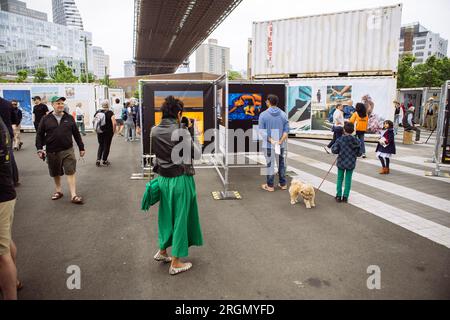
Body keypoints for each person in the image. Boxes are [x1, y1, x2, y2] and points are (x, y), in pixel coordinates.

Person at [150, 95, 203, 276]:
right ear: (179, 113)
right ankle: (176, 262)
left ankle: (163, 251)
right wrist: (192, 131)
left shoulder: (154, 130)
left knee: (166, 216)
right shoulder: (182, 131)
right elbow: (197, 155)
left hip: (163, 180)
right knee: (181, 218)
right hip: (180, 179)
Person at [36, 96, 85, 205]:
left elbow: (76, 134)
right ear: (52, 105)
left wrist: (81, 147)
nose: (60, 105)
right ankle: (58, 191)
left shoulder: (69, 118)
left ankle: (73, 195)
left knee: (70, 171)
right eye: (58, 103)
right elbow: (39, 135)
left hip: (67, 150)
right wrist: (39, 149)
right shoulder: (46, 119)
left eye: (62, 103)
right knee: (55, 172)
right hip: (52, 150)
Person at [0, 115, 21, 300]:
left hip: (2, 192)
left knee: (1, 253)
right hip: (5, 190)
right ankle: (12, 280)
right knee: (4, 243)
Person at [259, 94, 289, 192]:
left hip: (268, 145)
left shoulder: (263, 115)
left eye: (266, 101)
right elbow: (286, 131)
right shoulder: (284, 114)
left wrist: (271, 140)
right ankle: (283, 184)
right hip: (281, 144)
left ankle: (270, 186)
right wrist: (280, 141)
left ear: (268, 102)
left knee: (270, 164)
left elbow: (262, 131)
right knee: (281, 163)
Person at [331, 122, 362, 203]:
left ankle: (338, 196)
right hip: (351, 163)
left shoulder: (340, 139)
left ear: (344, 130)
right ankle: (345, 197)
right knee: (348, 180)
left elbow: (334, 150)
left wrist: (339, 150)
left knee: (339, 179)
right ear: (353, 130)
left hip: (341, 162)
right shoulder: (357, 140)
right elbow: (359, 154)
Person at [0, 98, 19, 187]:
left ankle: (10, 181)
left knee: (8, 157)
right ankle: (14, 179)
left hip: (4, 134)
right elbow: (14, 119)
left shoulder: (7, 104)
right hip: (7, 133)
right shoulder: (7, 104)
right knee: (9, 156)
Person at [95, 100, 116, 167]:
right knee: (107, 146)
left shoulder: (98, 112)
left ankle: (98, 160)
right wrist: (114, 131)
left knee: (101, 145)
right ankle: (104, 160)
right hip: (108, 132)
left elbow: (95, 121)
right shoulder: (110, 113)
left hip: (100, 131)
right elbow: (114, 123)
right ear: (108, 105)